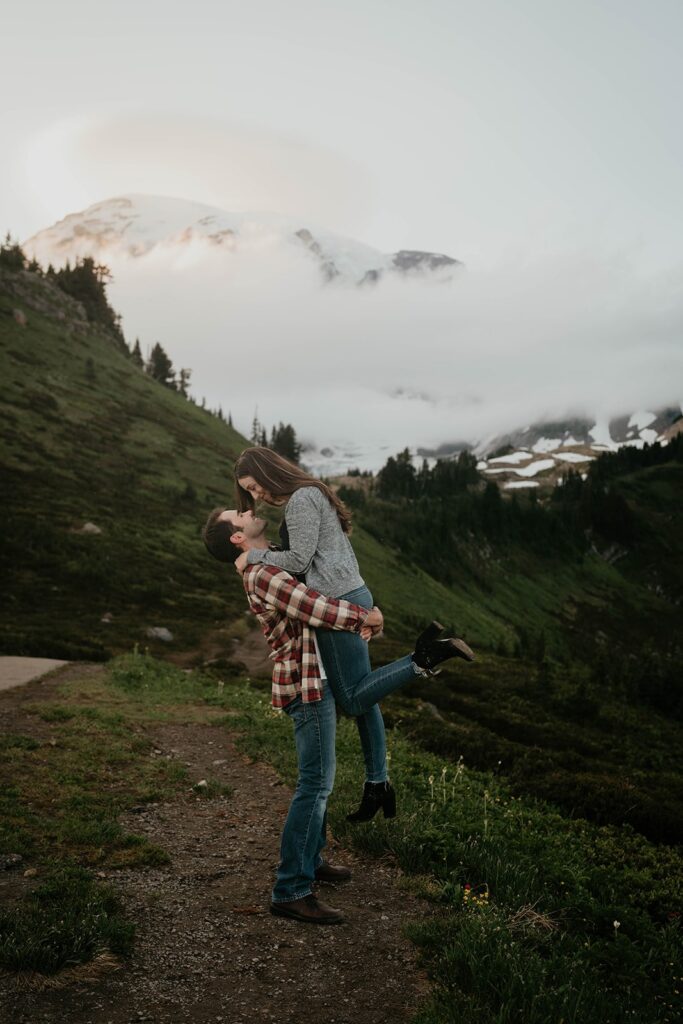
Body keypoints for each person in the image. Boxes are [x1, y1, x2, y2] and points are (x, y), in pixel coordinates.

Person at [202, 505, 473, 925]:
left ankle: (312, 860)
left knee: (320, 779)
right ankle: (291, 888)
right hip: (305, 686)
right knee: (315, 783)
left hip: (318, 678)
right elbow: (312, 607)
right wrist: (367, 616)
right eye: (238, 514)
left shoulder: (269, 558)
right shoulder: (261, 574)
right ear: (237, 537)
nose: (248, 509)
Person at [232, 446, 474, 823]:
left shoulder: (300, 500)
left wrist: (254, 558)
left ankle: (423, 658)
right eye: (249, 493)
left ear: (267, 470)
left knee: (353, 698)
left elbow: (298, 562)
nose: (256, 495)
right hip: (353, 591)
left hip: (338, 601)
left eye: (254, 486)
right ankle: (377, 784)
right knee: (367, 692)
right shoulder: (311, 493)